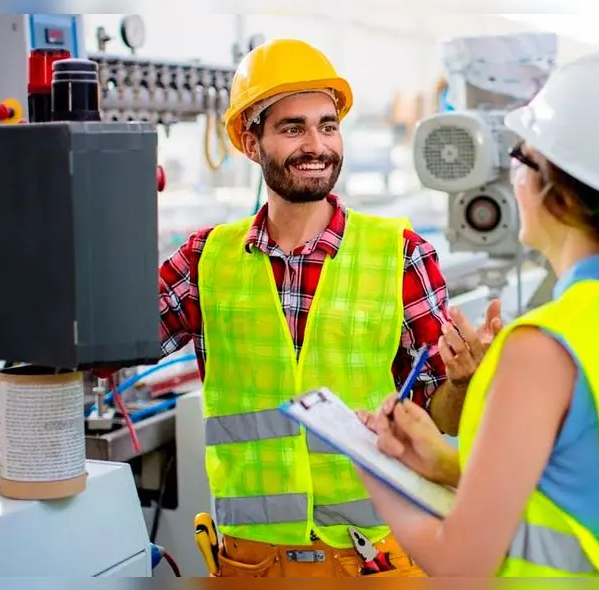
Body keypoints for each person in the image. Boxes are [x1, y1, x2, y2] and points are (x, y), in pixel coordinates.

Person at [354, 50, 599, 577]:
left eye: (520, 159)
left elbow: (460, 565)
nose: (512, 178)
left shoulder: (543, 349)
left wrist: (373, 470)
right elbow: (588, 493)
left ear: (560, 195)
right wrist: (444, 464)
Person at [155, 39, 472, 578]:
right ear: (251, 142)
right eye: (292, 128)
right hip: (252, 563)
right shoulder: (204, 260)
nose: (316, 145)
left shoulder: (401, 254)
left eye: (328, 126)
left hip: (374, 558)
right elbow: (111, 342)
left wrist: (462, 381)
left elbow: (443, 416)